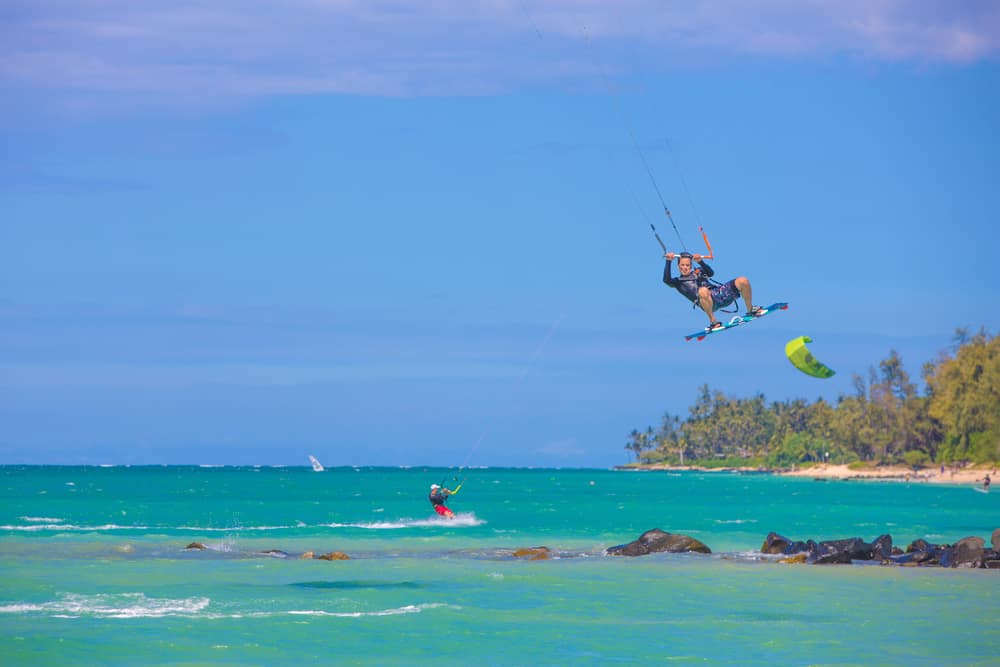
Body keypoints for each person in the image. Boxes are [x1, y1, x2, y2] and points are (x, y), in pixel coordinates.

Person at [663, 251, 763, 332]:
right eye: (682, 265)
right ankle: (713, 322)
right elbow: (666, 280)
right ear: (678, 266)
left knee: (743, 280)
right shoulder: (678, 282)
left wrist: (700, 262)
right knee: (702, 290)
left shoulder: (698, 271)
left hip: (720, 294)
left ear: (691, 266)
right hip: (707, 303)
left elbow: (711, 273)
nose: (685, 267)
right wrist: (668, 261)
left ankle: (750, 310)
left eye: (687, 265)